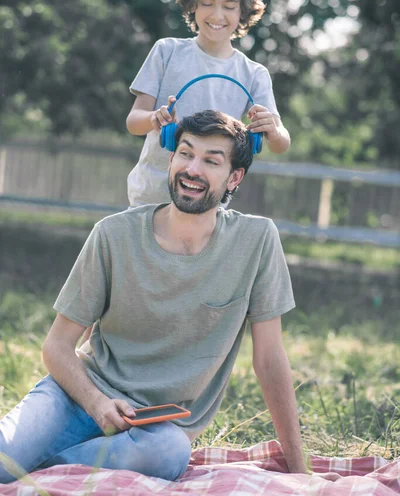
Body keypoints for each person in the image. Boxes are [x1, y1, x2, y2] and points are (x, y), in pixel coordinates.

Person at [0, 110, 306, 485]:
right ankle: (29, 472)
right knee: (3, 457)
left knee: (169, 453)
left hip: (154, 429)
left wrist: (300, 470)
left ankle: (36, 475)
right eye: (185, 153)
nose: (192, 169)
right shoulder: (113, 234)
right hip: (76, 396)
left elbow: (270, 358)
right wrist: (96, 404)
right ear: (171, 158)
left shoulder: (257, 241)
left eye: (211, 161)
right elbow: (56, 347)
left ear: (234, 178)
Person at [126, 0, 291, 207]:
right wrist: (153, 118)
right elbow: (133, 122)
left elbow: (281, 143)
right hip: (150, 199)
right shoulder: (166, 52)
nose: (217, 15)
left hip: (207, 209)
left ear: (243, 11)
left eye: (229, 6)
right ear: (193, 3)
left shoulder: (253, 74)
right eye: (207, 3)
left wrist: (273, 130)